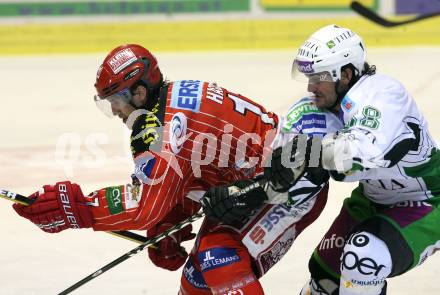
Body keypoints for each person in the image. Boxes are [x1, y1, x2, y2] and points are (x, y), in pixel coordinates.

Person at [12, 44, 331, 295]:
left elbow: (144, 207)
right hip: (244, 190)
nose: (114, 110)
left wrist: (77, 209)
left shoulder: (162, 127)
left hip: (289, 189)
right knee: (196, 281)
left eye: (116, 100)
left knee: (218, 257)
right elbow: (196, 171)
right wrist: (172, 218)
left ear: (138, 92)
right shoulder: (168, 102)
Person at [205, 24, 440, 295]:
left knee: (362, 257)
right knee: (324, 278)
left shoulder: (382, 95)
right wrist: (247, 193)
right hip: (373, 199)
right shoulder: (317, 110)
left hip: (428, 199)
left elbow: (361, 152)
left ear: (346, 74)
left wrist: (308, 151)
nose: (310, 86)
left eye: (318, 78)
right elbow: (294, 181)